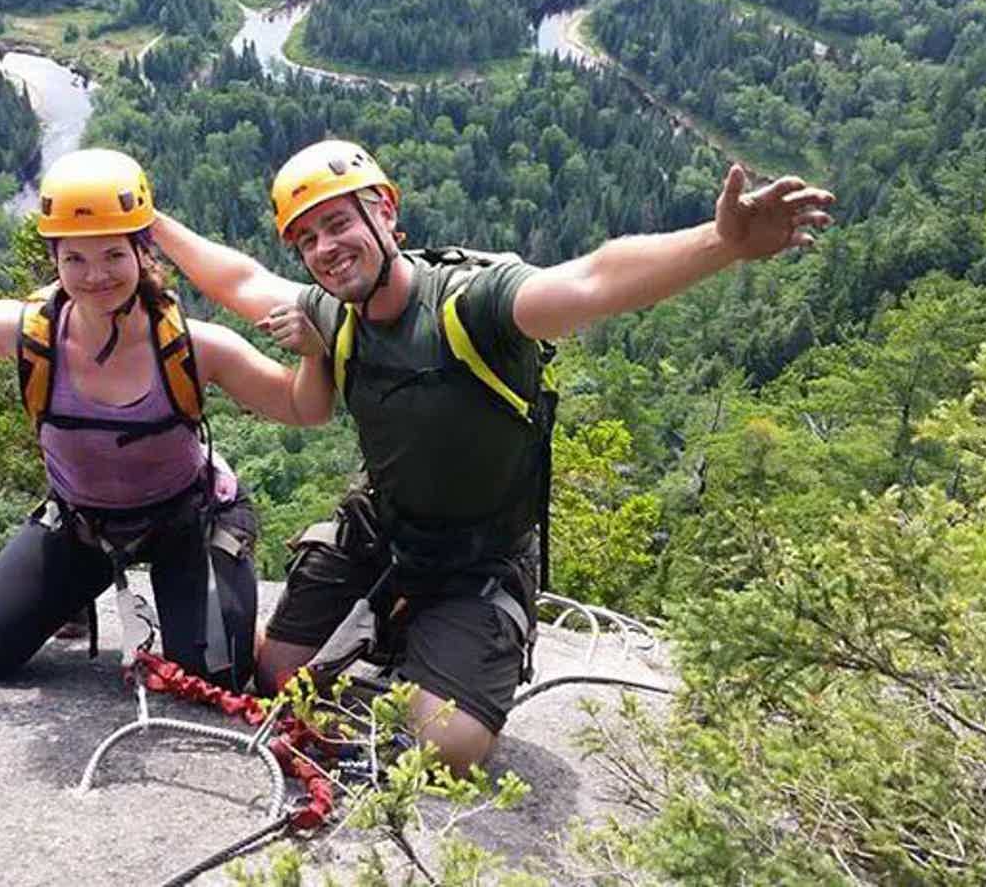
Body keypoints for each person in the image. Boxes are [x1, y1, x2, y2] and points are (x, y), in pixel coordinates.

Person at [152, 139, 836, 770]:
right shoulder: (337, 313)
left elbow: (595, 278)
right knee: (277, 674)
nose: (325, 249)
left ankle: (434, 633)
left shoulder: (470, 303)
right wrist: (146, 221)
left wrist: (721, 242)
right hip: (383, 528)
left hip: (481, 556)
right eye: (305, 240)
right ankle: (401, 623)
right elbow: (239, 280)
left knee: (446, 748)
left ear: (386, 213)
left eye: (338, 224)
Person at [0, 148, 333, 690]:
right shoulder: (30, 334)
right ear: (56, 262)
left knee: (217, 678)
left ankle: (227, 618)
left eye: (114, 256)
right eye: (76, 260)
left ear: (142, 254)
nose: (96, 276)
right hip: (82, 524)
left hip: (190, 517)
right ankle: (78, 591)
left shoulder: (191, 345)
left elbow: (304, 408)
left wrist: (313, 352)